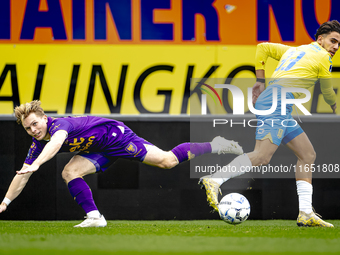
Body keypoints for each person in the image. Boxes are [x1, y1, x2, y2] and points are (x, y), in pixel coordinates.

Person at [0, 100, 243, 227]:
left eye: (35, 124)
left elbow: (58, 142)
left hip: (116, 137)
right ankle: (95, 217)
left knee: (167, 161)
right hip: (97, 148)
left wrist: (38, 164)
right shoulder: (38, 142)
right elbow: (22, 175)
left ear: (45, 118)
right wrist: (4, 203)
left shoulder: (58, 127)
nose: (33, 130)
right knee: (70, 171)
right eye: (28, 128)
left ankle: (217, 144)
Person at [199, 20, 340, 227]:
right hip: (277, 105)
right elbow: (328, 91)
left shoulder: (294, 51)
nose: (335, 47)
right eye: (333, 41)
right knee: (262, 156)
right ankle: (214, 180)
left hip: (277, 103)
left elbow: (263, 48)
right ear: (320, 39)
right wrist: (335, 106)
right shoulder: (323, 58)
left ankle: (306, 213)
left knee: (307, 154)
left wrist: (260, 80)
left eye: (338, 44)